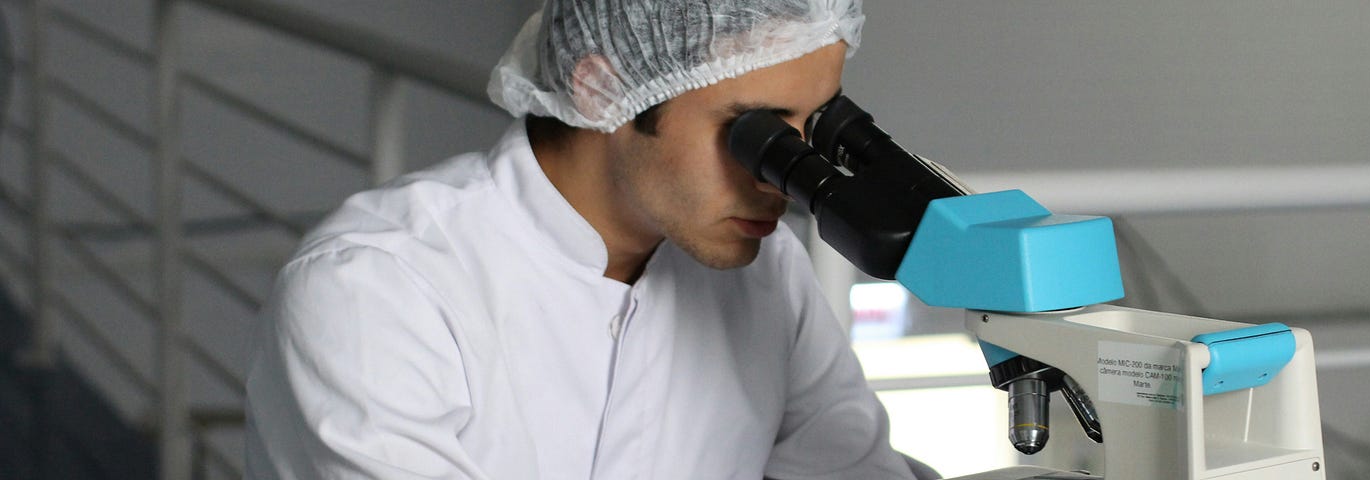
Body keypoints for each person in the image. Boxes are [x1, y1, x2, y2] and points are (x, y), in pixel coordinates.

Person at [244, 1, 920, 478]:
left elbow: (851, 468)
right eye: (757, 133)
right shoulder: (379, 288)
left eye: (815, 129)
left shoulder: (768, 276)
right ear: (603, 90)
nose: (781, 180)